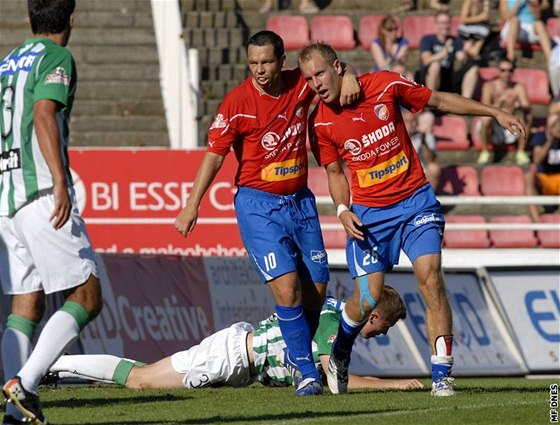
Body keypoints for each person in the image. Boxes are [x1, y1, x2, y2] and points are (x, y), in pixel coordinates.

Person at [297, 42, 527, 397]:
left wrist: (493, 111)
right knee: (369, 299)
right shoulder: (321, 122)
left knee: (430, 277)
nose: (315, 83)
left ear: (338, 66)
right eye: (309, 79)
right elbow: (334, 172)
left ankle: (442, 375)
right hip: (370, 216)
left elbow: (438, 101)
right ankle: (341, 352)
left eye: (320, 74)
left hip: (415, 201)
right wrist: (342, 210)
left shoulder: (386, 85)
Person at [174, 30, 360, 396]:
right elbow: (215, 155)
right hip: (258, 205)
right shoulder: (237, 103)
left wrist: (350, 72)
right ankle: (304, 369)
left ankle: (296, 355)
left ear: (282, 62)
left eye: (266, 62)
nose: (259, 70)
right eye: (253, 63)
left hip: (301, 202)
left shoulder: (299, 85)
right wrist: (192, 205)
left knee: (316, 289)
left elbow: (330, 72)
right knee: (287, 287)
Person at [0, 1, 103, 424]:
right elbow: (44, 115)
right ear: (71, 17)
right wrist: (61, 181)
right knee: (87, 295)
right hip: (40, 190)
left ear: (29, 18)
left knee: (25, 305)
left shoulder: (7, 63)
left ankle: (15, 408)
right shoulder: (56, 56)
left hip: (5, 196)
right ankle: (24, 384)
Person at [46, 287, 423, 391]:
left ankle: (50, 369)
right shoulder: (333, 320)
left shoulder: (332, 319)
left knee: (143, 378)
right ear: (373, 316)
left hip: (241, 363)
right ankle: (50, 366)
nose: (380, 335)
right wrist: (393, 385)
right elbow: (334, 379)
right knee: (140, 380)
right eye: (383, 328)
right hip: (230, 357)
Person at [476, 58, 532, 165]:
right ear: (498, 70)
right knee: (485, 118)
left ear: (513, 71)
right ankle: (485, 151)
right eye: (503, 70)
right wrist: (500, 103)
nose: (506, 73)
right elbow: (483, 108)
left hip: (511, 124)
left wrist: (517, 105)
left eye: (509, 70)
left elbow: (527, 106)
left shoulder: (519, 87)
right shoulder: (489, 86)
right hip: (493, 125)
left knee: (527, 117)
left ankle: (520, 152)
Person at [418, 12, 480, 100]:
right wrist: (444, 52)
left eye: (447, 23)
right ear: (436, 25)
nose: (445, 26)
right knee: (435, 65)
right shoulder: (428, 39)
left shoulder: (455, 40)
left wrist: (466, 51)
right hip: (429, 77)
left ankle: (465, 104)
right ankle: (431, 102)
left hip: (448, 76)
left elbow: (460, 58)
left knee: (473, 68)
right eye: (442, 23)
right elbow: (426, 59)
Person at [526, 112, 560, 221]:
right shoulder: (540, 138)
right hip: (544, 178)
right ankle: (537, 222)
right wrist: (549, 142)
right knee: (528, 177)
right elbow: (537, 161)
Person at [403, 110, 441, 191]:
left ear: (417, 123)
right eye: (407, 121)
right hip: (403, 171)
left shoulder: (426, 136)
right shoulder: (397, 137)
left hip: (423, 171)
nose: (410, 124)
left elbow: (431, 160)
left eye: (413, 120)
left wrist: (423, 143)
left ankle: (429, 198)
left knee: (434, 168)